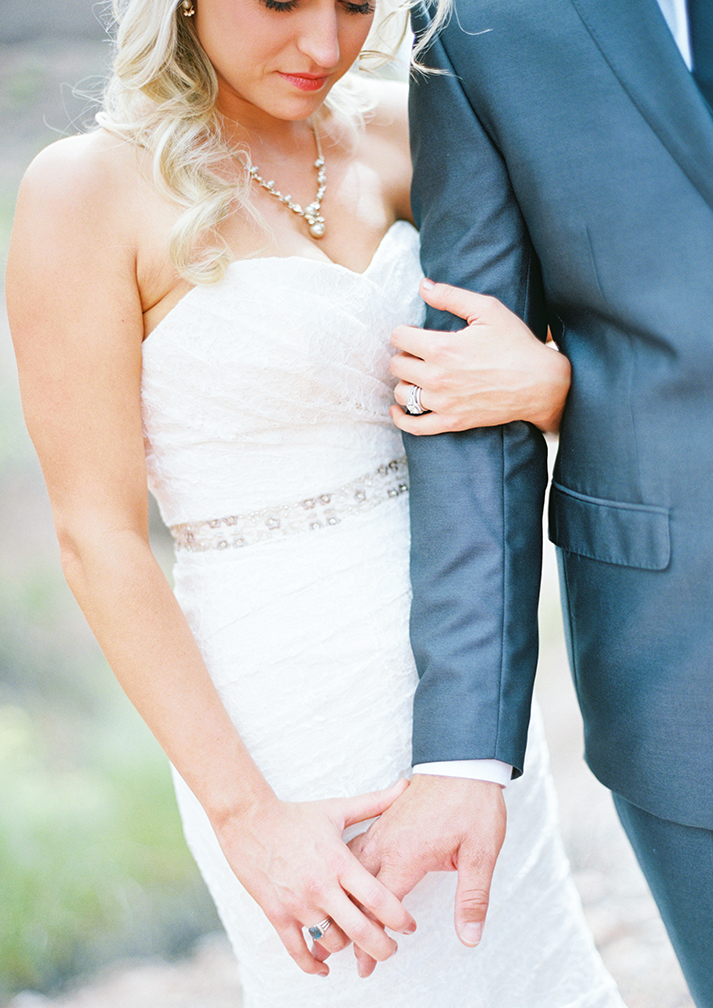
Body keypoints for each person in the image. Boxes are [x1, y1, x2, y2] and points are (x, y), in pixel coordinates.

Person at [6, 0, 624, 1005]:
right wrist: (246, 816)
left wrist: (551, 389)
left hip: (463, 680)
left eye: (353, 4)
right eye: (284, 1)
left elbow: (561, 352)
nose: (325, 47)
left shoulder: (404, 132)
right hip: (282, 721)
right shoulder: (85, 192)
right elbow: (98, 540)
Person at [352, 2, 713, 1007]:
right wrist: (462, 747)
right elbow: (464, 379)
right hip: (698, 670)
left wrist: (570, 392)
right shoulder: (484, 28)